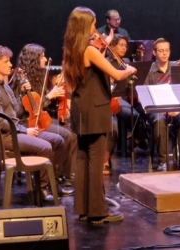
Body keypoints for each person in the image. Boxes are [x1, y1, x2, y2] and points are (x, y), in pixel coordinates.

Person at [63, 6, 136, 223]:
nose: (96, 28)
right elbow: (116, 73)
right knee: (96, 158)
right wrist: (130, 70)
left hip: (80, 107)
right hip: (94, 109)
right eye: (93, 24)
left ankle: (84, 210)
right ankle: (98, 212)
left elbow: (90, 74)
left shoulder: (73, 48)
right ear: (86, 25)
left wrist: (104, 47)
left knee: (83, 156)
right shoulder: (90, 50)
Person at [0, 44, 67, 202]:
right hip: (6, 137)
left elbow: (16, 112)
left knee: (58, 140)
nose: (10, 65)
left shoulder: (3, 86)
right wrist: (24, 130)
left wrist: (22, 93)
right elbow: (1, 123)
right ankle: (40, 188)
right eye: (6, 61)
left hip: (15, 131)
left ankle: (52, 183)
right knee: (45, 146)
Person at [12, 44, 77, 189]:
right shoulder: (21, 81)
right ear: (34, 60)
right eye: (42, 57)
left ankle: (63, 173)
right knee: (66, 135)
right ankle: (57, 174)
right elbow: (27, 109)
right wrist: (50, 95)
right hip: (27, 123)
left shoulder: (38, 76)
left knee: (70, 129)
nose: (45, 59)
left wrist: (54, 93)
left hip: (40, 118)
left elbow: (41, 103)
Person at [144, 38, 180, 171]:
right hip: (157, 109)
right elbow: (144, 96)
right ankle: (162, 161)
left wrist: (177, 108)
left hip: (176, 108)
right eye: (161, 51)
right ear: (154, 53)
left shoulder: (176, 68)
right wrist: (160, 109)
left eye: (167, 50)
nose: (164, 53)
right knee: (159, 121)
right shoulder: (148, 71)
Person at [105, 34, 148, 174]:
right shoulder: (106, 62)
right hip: (113, 96)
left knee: (144, 111)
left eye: (126, 45)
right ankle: (139, 140)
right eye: (121, 45)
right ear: (112, 46)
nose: (125, 48)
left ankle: (137, 140)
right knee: (133, 115)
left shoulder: (126, 61)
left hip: (127, 95)